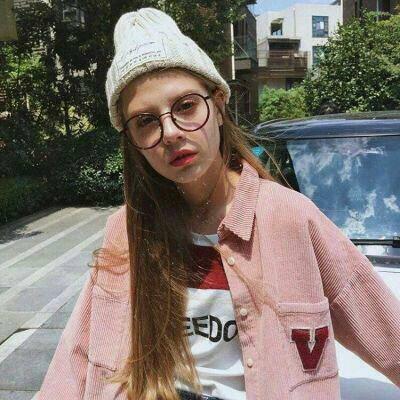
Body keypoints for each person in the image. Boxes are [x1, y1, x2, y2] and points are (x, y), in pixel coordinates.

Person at [37, 7, 400, 400]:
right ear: (133, 142)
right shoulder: (127, 230)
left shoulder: (289, 217)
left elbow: (384, 330)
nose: (170, 133)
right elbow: (76, 357)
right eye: (145, 121)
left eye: (185, 106)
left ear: (220, 104)